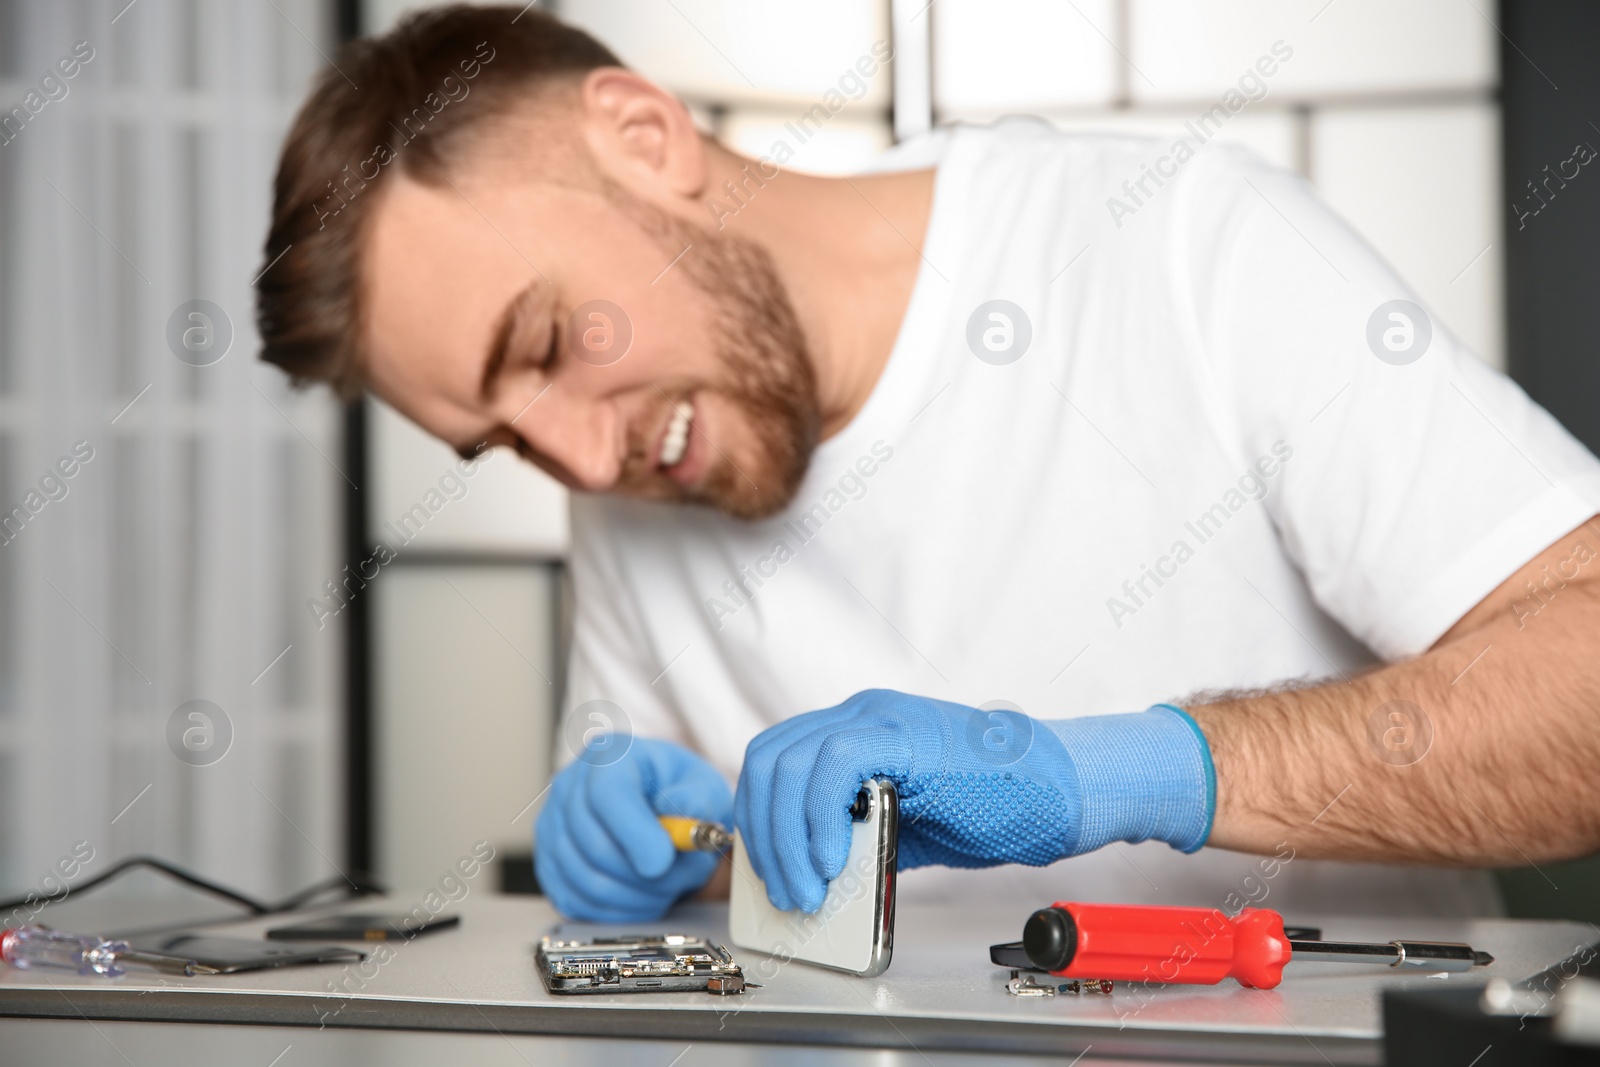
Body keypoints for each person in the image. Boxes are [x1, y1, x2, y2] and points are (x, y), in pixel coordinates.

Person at [257, 6, 1600, 924]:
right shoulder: (630, 459)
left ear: (644, 139)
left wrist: (1136, 776)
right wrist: (693, 860)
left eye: (549, 342)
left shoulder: (1184, 247)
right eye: (500, 443)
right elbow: (748, 922)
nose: (580, 458)